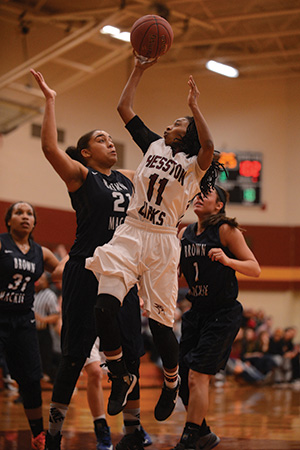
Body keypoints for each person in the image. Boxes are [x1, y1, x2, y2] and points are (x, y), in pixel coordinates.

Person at [86, 55, 217, 424]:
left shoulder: (196, 166)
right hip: (130, 232)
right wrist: (139, 69)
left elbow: (208, 144)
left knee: (161, 328)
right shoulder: (152, 145)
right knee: (103, 308)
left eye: (177, 123)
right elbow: (123, 107)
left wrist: (195, 107)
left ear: (187, 133)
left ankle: (171, 383)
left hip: (161, 242)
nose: (168, 124)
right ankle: (120, 373)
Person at [31, 69, 149, 450]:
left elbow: (163, 170)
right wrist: (50, 100)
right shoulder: (82, 176)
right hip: (85, 270)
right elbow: (50, 149)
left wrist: (139, 70)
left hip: (123, 274)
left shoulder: (130, 178)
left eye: (111, 139)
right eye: (101, 139)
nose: (110, 143)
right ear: (85, 152)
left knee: (130, 357)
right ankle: (54, 433)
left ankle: (132, 432)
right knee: (73, 357)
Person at [172, 185, 261, 450]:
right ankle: (204, 434)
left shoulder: (225, 230)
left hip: (222, 313)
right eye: (197, 193)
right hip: (196, 312)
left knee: (198, 375)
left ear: (219, 205)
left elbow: (255, 268)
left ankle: (188, 440)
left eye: (206, 194)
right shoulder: (183, 233)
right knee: (182, 378)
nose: (198, 197)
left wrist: (228, 260)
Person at [0, 201, 59, 450]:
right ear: (9, 221)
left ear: (34, 222)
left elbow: (64, 271)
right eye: (18, 213)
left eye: (29, 214)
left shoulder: (41, 252)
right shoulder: (2, 244)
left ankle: (38, 435)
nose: (25, 216)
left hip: (24, 320)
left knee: (31, 379)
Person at [34, 272, 60, 383]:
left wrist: (42, 319)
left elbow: (55, 316)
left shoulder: (49, 295)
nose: (39, 281)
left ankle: (61, 386)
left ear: (46, 282)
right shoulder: (31, 294)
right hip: (31, 333)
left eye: (42, 279)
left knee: (46, 363)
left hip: (43, 332)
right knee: (30, 362)